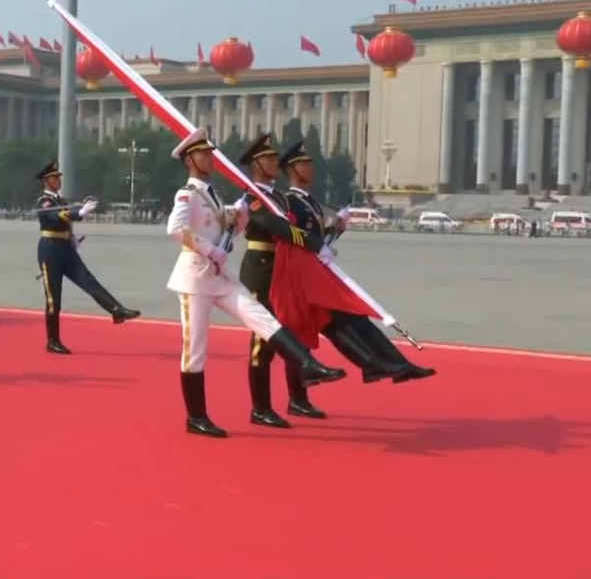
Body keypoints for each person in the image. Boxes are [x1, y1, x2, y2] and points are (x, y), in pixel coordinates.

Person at [166, 128, 345, 438]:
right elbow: (175, 229)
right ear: (190, 161)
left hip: (219, 276)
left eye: (210, 152)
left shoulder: (213, 193)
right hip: (195, 277)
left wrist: (240, 220)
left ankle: (307, 364)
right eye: (204, 154)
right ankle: (196, 417)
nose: (210, 158)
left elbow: (226, 230)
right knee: (195, 349)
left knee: (262, 317)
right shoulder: (187, 194)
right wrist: (212, 250)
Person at [278, 141, 435, 418]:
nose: (311, 168)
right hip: (300, 276)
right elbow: (290, 236)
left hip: (316, 271)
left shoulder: (309, 200)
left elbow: (316, 237)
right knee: (323, 327)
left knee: (353, 317)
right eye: (305, 164)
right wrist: (320, 241)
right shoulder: (288, 201)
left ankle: (395, 363)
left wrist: (334, 228)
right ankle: (373, 365)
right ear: (292, 170)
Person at [235, 133, 327, 428]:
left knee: (291, 331)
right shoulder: (252, 198)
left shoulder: (277, 196)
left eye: (276, 158)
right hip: (259, 271)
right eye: (271, 159)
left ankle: (297, 398)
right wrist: (312, 243)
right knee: (263, 340)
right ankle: (260, 407)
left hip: (282, 270)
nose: (277, 162)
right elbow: (277, 227)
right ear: (256, 164)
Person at [35, 160, 139, 355]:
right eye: (55, 177)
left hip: (66, 248)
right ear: (46, 181)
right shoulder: (44, 202)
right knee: (53, 299)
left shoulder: (61, 200)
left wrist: (73, 238)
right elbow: (57, 217)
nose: (58, 180)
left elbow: (65, 221)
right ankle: (53, 340)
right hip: (50, 252)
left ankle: (116, 310)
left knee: (88, 280)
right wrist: (80, 211)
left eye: (58, 177)